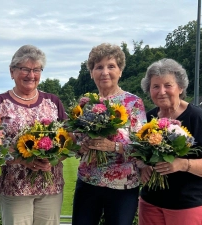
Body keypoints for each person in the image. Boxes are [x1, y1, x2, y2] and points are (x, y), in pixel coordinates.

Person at [0, 45, 67, 225]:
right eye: (25, 69)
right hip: (14, 187)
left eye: (36, 70)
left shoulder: (53, 101)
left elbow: (68, 142)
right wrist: (21, 159)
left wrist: (52, 159)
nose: (31, 75)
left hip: (50, 187)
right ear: (12, 71)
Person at [71, 43, 147, 225]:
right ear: (91, 73)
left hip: (122, 185)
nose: (105, 72)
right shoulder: (85, 103)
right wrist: (80, 146)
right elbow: (75, 144)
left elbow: (143, 147)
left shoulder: (133, 103)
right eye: (99, 67)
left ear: (120, 71)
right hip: (88, 181)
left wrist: (114, 146)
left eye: (111, 66)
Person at [138, 58, 202, 225]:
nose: (162, 91)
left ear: (180, 87)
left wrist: (183, 164)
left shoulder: (197, 118)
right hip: (150, 203)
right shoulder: (147, 118)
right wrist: (143, 166)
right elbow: (139, 153)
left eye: (168, 85)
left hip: (185, 206)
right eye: (155, 86)